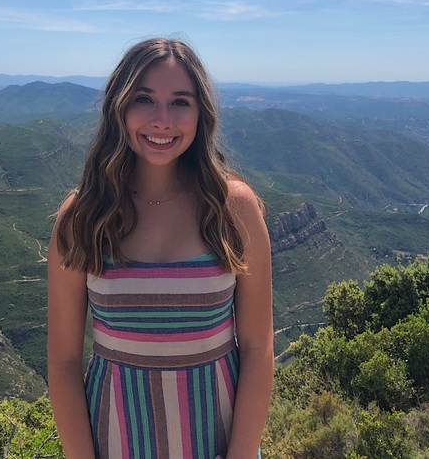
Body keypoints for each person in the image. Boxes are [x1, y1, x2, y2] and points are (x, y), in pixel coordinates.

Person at [47, 38, 273, 458]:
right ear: (119, 107)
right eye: (144, 99)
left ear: (201, 113)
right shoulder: (83, 217)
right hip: (115, 444)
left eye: (180, 102)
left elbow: (259, 348)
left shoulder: (233, 209)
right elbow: (63, 361)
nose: (162, 120)